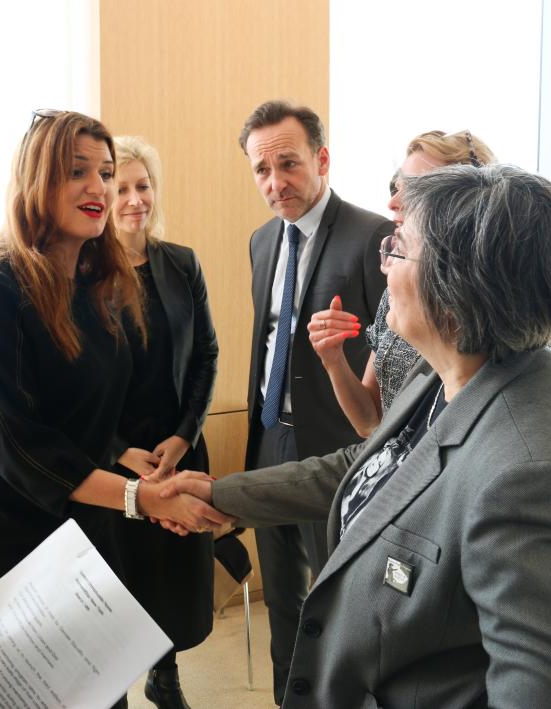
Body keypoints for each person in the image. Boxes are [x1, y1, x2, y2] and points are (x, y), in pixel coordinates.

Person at [167, 164, 551, 708]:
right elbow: (373, 466)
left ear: (457, 289)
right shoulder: (448, 370)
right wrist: (220, 496)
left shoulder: (532, 480)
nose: (382, 265)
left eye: (397, 249)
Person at [0, 115, 228, 703]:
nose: (99, 188)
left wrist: (151, 496)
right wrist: (139, 497)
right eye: (77, 173)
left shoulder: (100, 290)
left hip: (82, 533)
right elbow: (22, 448)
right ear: (36, 182)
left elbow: (95, 422)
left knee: (101, 696)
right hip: (4, 538)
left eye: (106, 172)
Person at [238, 99, 393, 705]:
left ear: (321, 159)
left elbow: (397, 350)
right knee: (281, 595)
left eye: (289, 164)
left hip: (340, 445)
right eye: (261, 170)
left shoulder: (372, 237)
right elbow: (267, 339)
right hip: (269, 435)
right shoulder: (259, 242)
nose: (275, 183)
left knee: (337, 599)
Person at [109, 136, 217, 709]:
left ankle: (164, 672)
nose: (134, 199)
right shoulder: (83, 272)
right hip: (114, 459)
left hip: (175, 448)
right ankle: (116, 688)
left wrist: (183, 435)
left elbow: (206, 355)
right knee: (122, 575)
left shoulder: (182, 263)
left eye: (142, 186)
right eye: (121, 187)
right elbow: (73, 381)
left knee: (171, 575)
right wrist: (121, 450)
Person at [307, 130, 495, 435]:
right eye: (398, 186)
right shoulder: (396, 295)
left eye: (414, 190)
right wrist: (334, 360)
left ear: (465, 202)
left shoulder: (499, 305)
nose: (393, 202)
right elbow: (370, 422)